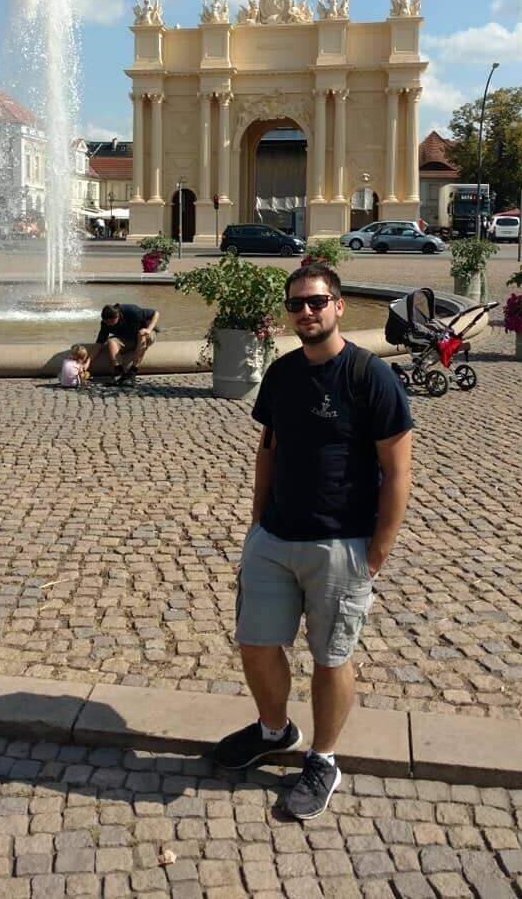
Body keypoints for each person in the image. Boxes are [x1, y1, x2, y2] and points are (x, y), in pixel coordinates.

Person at [213, 262, 413, 820]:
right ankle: (274, 730)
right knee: (255, 644)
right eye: (296, 304)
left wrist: (377, 552)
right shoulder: (282, 373)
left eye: (317, 302)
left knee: (331, 657)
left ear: (338, 306)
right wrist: (257, 523)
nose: (306, 311)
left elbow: (398, 471)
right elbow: (269, 449)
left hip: (340, 543)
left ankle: (323, 758)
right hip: (274, 538)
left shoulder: (371, 376)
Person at [92, 302, 160, 387]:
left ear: (117, 316)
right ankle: (119, 372)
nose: (108, 325)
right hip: (129, 338)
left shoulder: (132, 310)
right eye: (106, 322)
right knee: (111, 341)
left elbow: (156, 313)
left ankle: (132, 372)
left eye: (111, 322)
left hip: (146, 334)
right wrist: (87, 362)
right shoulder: (105, 323)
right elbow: (99, 343)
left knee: (141, 334)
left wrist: (149, 329)